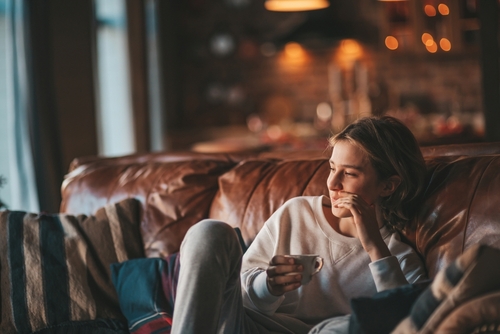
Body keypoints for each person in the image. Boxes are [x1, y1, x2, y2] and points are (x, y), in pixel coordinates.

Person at [171, 116, 428, 334]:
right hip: (253, 326)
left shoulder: (399, 258)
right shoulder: (297, 212)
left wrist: (375, 248)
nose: (333, 183)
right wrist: (268, 287)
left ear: (387, 186)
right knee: (209, 232)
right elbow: (235, 295)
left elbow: (408, 324)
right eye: (332, 168)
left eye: (349, 173)